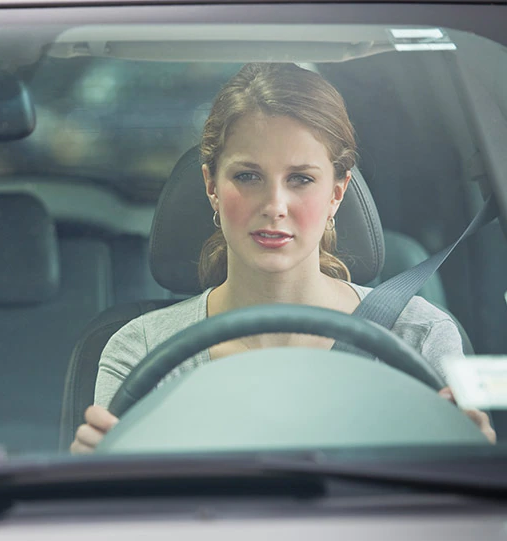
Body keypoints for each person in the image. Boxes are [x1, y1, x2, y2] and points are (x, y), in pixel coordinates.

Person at [70, 63, 496, 454]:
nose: (275, 204)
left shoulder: (419, 335)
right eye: (248, 176)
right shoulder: (142, 348)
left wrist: (473, 466)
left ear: (337, 192)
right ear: (211, 186)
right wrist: (90, 482)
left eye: (301, 179)